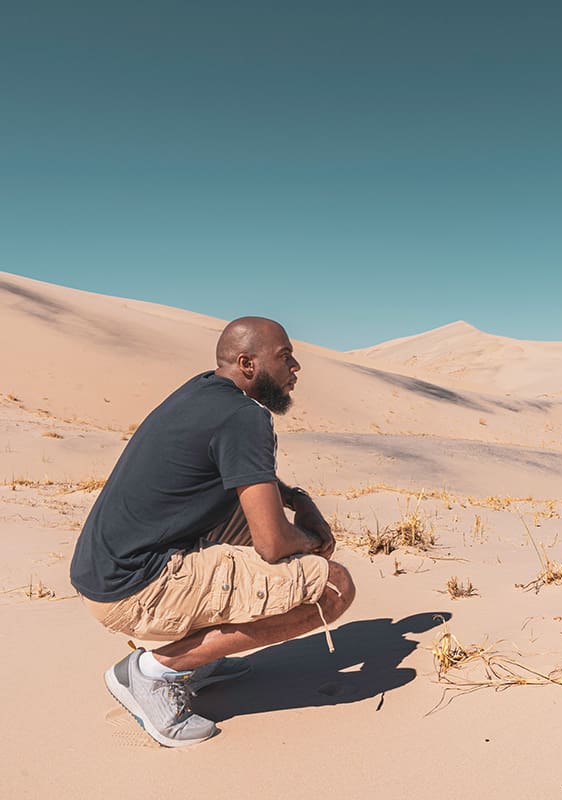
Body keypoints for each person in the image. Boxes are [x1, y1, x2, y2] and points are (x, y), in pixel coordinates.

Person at [70, 316, 355, 748]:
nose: (296, 367)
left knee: (262, 531)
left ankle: (200, 658)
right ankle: (156, 672)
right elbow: (273, 544)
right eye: (285, 357)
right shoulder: (244, 417)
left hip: (107, 571)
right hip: (133, 587)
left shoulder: (203, 391)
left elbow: (244, 476)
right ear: (247, 363)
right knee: (332, 588)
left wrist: (296, 498)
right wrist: (313, 540)